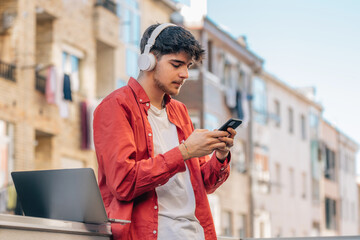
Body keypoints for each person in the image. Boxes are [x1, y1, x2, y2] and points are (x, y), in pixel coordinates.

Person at [93, 23, 237, 240]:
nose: (185, 74)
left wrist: (220, 155)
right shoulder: (116, 106)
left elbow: (203, 184)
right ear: (149, 60)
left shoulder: (180, 111)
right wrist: (185, 151)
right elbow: (123, 183)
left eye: (188, 66)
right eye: (177, 64)